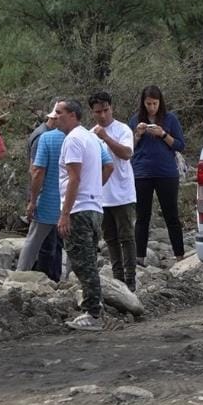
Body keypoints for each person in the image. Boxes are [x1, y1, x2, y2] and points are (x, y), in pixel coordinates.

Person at [55, 99, 113, 331]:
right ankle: (94, 307)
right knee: (88, 260)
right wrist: (95, 191)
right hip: (94, 207)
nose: (55, 116)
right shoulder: (91, 137)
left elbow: (74, 178)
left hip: (79, 208)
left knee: (83, 262)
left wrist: (65, 214)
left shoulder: (73, 140)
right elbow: (109, 166)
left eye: (59, 112)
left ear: (72, 115)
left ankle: (93, 313)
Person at [128, 85, 186, 263]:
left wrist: (162, 134)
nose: (151, 107)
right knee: (142, 217)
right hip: (142, 173)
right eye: (148, 103)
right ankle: (139, 258)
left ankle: (179, 255)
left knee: (171, 216)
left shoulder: (170, 119)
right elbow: (128, 148)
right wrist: (137, 134)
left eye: (154, 103)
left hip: (166, 173)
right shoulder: (135, 119)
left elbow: (180, 145)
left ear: (160, 102)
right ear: (143, 103)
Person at [89, 91, 138, 291]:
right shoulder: (90, 133)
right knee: (110, 238)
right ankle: (118, 278)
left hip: (123, 192)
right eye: (98, 112)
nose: (102, 115)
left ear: (112, 108)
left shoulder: (122, 129)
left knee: (127, 236)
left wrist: (106, 138)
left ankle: (131, 280)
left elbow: (126, 153)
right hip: (102, 194)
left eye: (106, 110)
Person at [22, 100, 64, 281]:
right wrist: (33, 200)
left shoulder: (49, 135)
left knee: (53, 241)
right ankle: (38, 277)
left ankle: (51, 276)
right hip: (45, 197)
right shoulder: (43, 137)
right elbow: (35, 170)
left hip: (53, 197)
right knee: (45, 242)